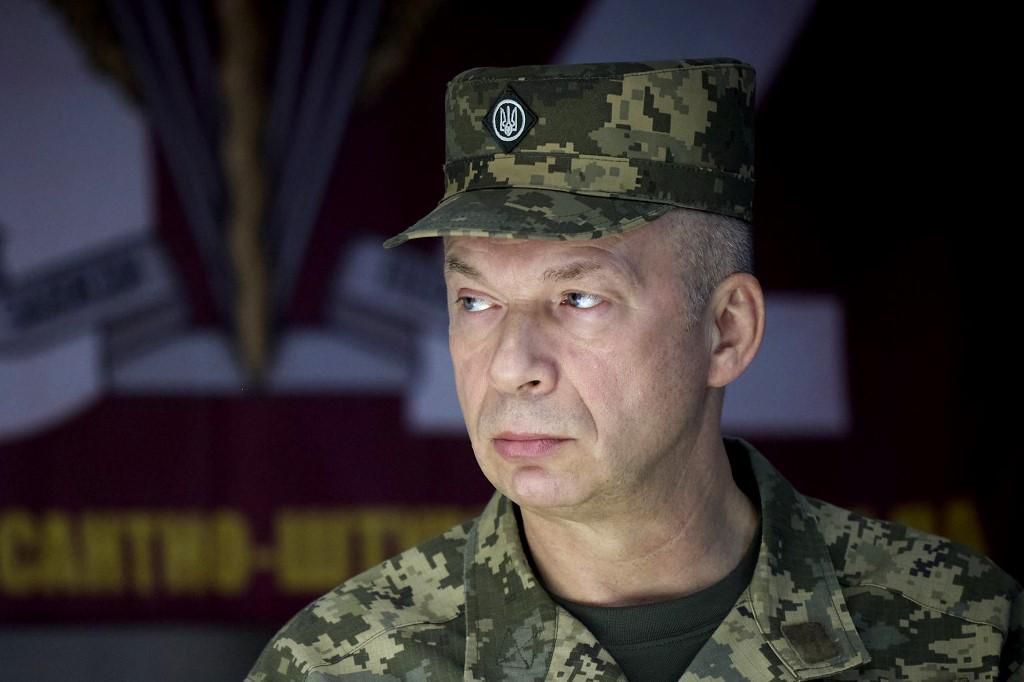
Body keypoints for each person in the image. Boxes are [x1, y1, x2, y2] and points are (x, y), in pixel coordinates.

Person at [246, 59, 1022, 681]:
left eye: (579, 297)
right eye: (476, 301)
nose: (513, 367)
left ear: (727, 330)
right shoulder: (340, 660)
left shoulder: (966, 634)